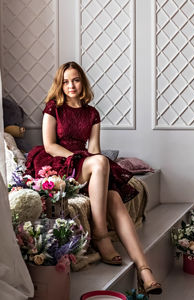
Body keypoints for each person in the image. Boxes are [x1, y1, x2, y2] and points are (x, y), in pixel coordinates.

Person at [25, 61, 162, 295]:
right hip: (59, 162)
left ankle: (145, 271)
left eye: (75, 80)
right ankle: (100, 235)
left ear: (83, 82)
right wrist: (78, 159)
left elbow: (95, 149)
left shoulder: (92, 113)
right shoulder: (53, 108)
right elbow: (49, 145)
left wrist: (96, 166)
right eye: (66, 81)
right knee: (98, 162)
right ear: (60, 84)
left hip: (85, 164)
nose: (71, 85)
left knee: (114, 197)